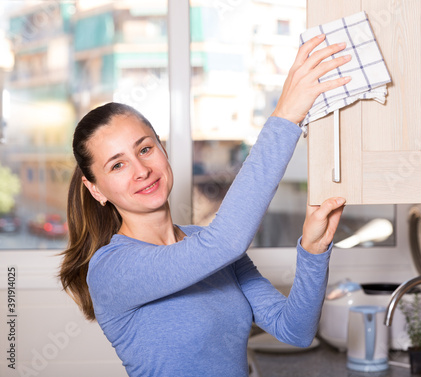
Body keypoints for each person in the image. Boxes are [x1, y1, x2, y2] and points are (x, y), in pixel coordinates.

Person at [59, 34, 351, 376]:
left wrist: (314, 251)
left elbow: (295, 331)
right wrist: (285, 116)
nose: (141, 171)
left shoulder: (210, 247)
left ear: (163, 150)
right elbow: (226, 241)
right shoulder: (111, 268)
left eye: (145, 149)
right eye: (117, 165)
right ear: (96, 190)